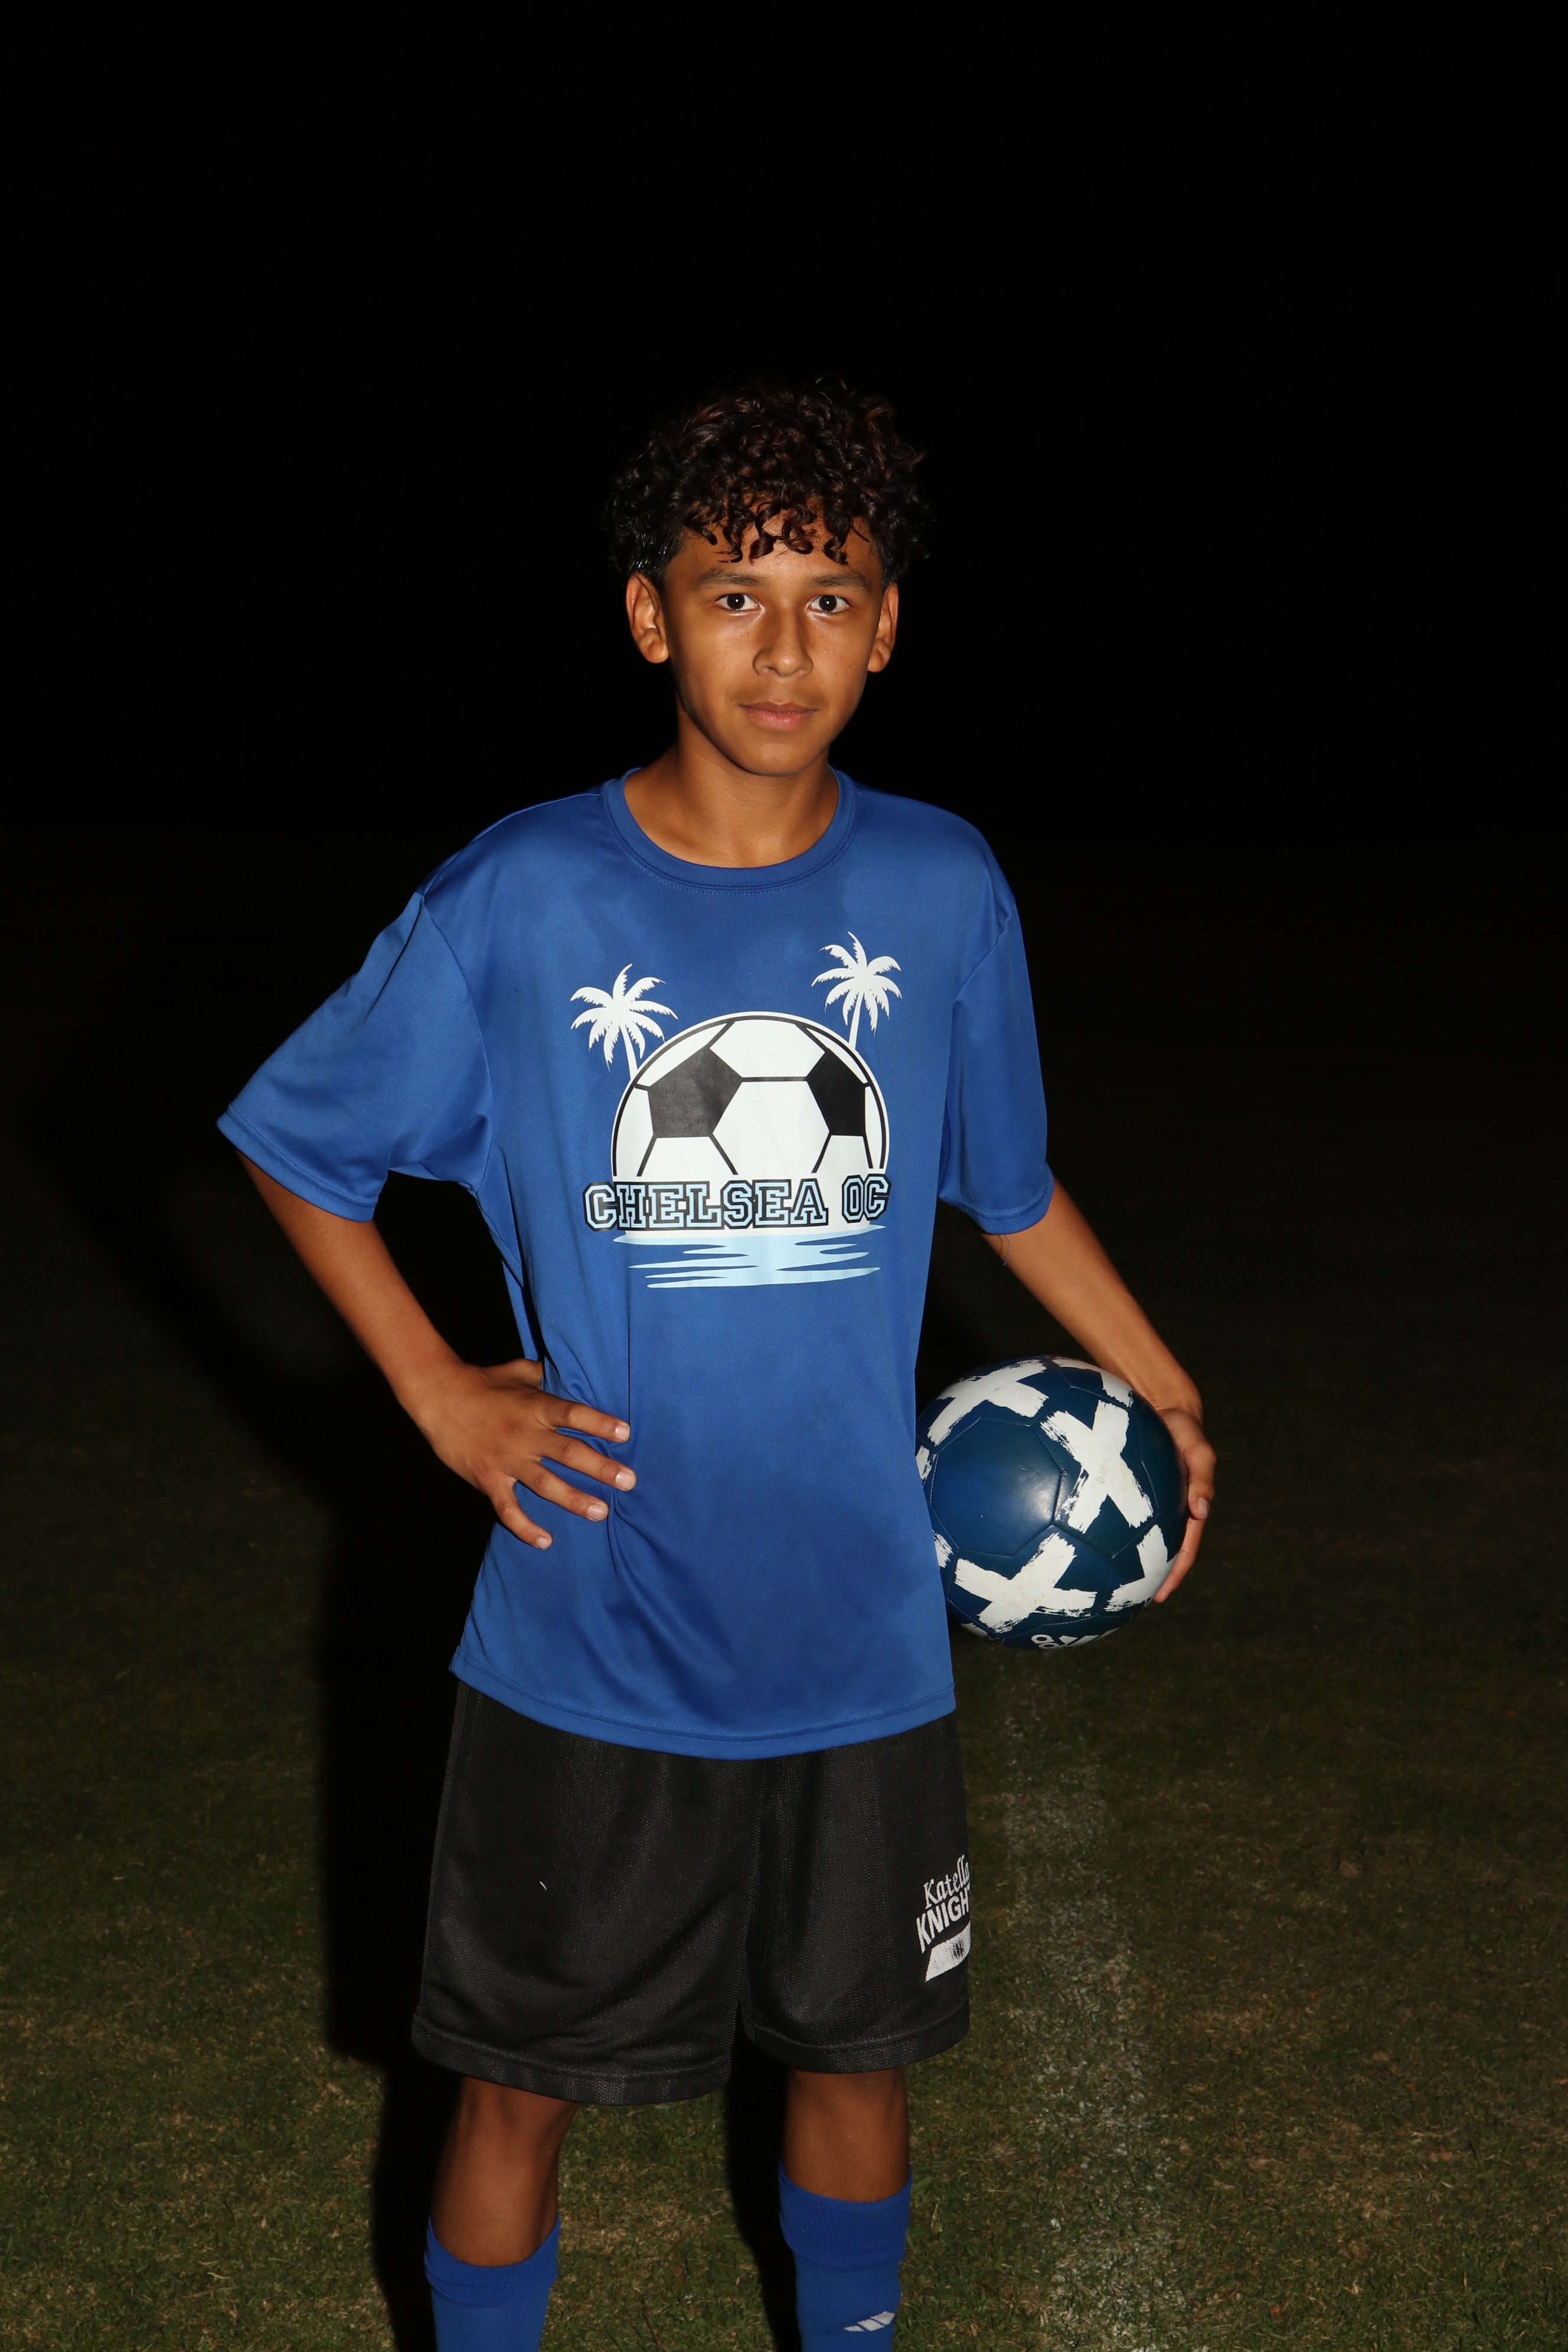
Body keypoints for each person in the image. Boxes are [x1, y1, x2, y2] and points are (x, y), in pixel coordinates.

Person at [219, 377, 1216, 2350]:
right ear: (649, 617)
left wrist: (1165, 1392)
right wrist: (437, 1389)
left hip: (861, 1630)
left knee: (861, 2062)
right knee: (520, 2084)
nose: (784, 647)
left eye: (829, 598)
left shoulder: (940, 886)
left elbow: (1005, 1187)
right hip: (594, 1628)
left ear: (888, 627)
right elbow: (296, 1143)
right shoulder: (528, 894)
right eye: (733, 594)